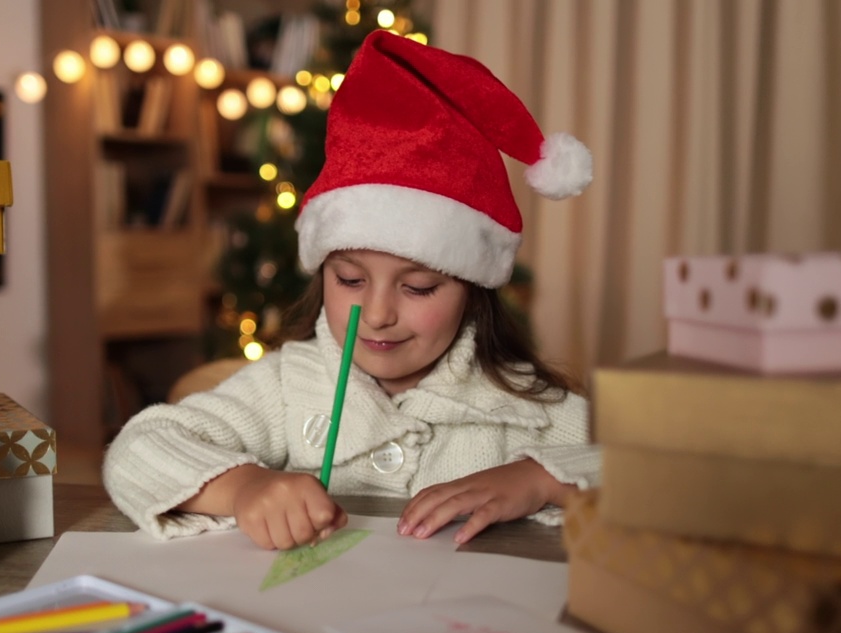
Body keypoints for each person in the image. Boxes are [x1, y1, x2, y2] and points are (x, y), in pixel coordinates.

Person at [104, 30, 598, 549]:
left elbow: (665, 470)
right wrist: (245, 488)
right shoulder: (288, 385)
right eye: (350, 279)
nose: (377, 312)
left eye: (420, 287)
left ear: (473, 290)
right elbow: (138, 449)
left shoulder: (519, 401)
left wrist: (541, 479)